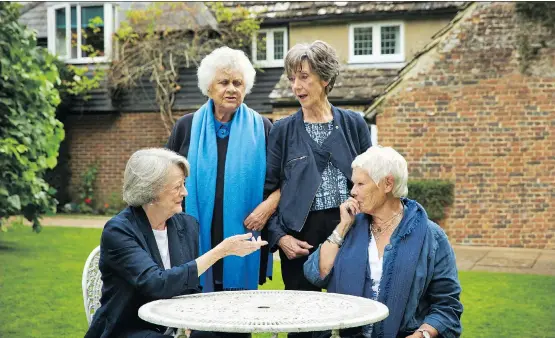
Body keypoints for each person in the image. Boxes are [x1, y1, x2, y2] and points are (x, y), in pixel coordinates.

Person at [85, 148, 267, 338]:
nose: (185, 192)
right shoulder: (119, 231)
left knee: (236, 331)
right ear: (151, 192)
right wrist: (219, 252)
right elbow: (156, 283)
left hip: (172, 323)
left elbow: (190, 286)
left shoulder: (187, 225)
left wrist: (193, 320)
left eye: (184, 184)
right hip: (127, 328)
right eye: (177, 186)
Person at [303, 146, 463, 338]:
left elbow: (447, 306)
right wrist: (342, 227)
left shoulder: (432, 236)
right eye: (353, 184)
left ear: (387, 184)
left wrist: (422, 335)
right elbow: (318, 273)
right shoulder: (350, 227)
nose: (352, 191)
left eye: (361, 184)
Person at [264, 40, 372, 303]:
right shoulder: (282, 130)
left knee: (352, 314)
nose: (296, 86)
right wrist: (281, 238)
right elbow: (267, 191)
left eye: (304, 77)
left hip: (350, 232)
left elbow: (372, 183)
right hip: (300, 240)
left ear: (324, 78)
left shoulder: (354, 124)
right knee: (304, 322)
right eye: (292, 78)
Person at [166, 46, 279, 292]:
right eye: (224, 82)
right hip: (194, 236)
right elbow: (165, 181)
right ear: (209, 87)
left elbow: (283, 181)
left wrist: (267, 207)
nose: (231, 89)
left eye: (238, 83)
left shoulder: (263, 127)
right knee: (199, 321)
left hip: (245, 232)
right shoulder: (186, 127)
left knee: (240, 320)